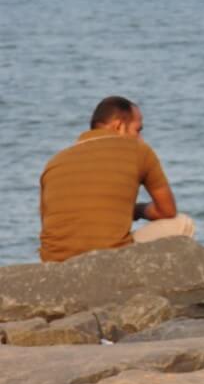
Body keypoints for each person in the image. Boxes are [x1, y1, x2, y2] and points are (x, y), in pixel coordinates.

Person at [38, 96, 195, 263]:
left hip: (55, 262)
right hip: (110, 260)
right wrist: (139, 210)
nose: (140, 138)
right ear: (119, 126)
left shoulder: (54, 162)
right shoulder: (139, 150)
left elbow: (48, 222)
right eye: (138, 130)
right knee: (183, 223)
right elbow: (167, 211)